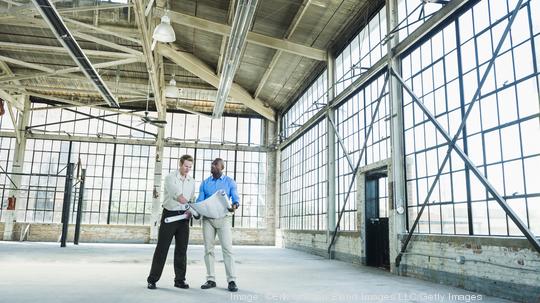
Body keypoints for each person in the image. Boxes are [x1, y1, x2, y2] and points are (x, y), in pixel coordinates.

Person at [147, 154, 199, 290]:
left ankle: (180, 280)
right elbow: (178, 196)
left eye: (190, 167)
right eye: (186, 166)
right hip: (169, 215)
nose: (188, 169)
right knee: (162, 248)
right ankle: (152, 279)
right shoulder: (170, 178)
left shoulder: (192, 181)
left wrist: (190, 210)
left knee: (182, 250)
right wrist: (190, 206)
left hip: (184, 217)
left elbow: (192, 198)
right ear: (180, 164)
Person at [197, 158, 239, 292]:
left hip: (223, 218)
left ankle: (231, 280)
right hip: (208, 219)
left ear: (222, 167)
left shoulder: (230, 182)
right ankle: (210, 279)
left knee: (227, 249)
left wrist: (235, 205)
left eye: (216, 164)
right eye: (212, 164)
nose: (213, 166)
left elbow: (235, 198)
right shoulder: (205, 183)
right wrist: (196, 210)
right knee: (208, 249)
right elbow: (200, 200)